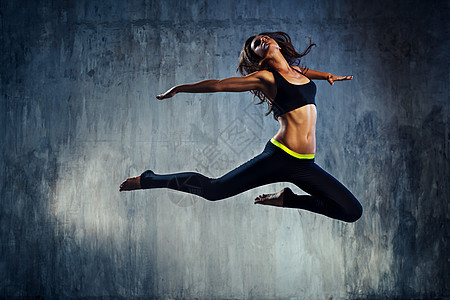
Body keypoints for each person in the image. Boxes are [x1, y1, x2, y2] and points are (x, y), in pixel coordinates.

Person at [120, 31, 362, 223]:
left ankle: (287, 199)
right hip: (279, 157)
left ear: (277, 44)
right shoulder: (266, 78)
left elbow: (306, 74)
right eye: (257, 43)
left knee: (351, 211)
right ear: (257, 56)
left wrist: (328, 75)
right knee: (214, 190)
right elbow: (218, 85)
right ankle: (149, 179)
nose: (263, 39)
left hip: (304, 164)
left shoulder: (298, 71)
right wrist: (180, 88)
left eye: (265, 37)